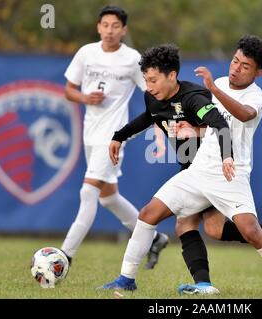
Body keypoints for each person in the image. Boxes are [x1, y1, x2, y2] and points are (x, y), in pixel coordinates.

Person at [101, 40, 262, 299]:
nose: (236, 69)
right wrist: (193, 129)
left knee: (250, 231)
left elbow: (240, 116)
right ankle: (126, 279)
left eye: (245, 66)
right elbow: (212, 123)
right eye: (235, 61)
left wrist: (215, 95)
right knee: (150, 214)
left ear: (258, 72)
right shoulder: (215, 84)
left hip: (231, 172)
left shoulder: (254, 96)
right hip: (198, 170)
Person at [61, 5, 168, 271]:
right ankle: (154, 238)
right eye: (105, 25)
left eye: (115, 26)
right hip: (90, 133)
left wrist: (158, 129)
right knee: (107, 197)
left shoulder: (132, 59)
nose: (110, 30)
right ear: (99, 27)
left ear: (124, 30)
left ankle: (64, 256)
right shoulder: (86, 53)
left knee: (88, 192)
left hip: (114, 137)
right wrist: (85, 97)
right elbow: (68, 90)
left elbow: (153, 92)